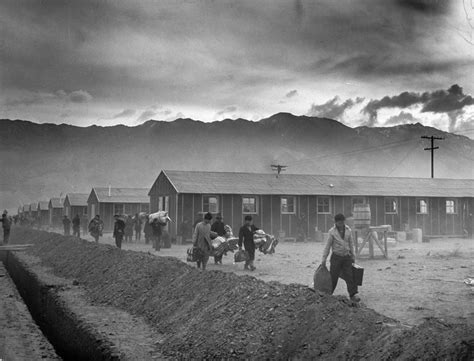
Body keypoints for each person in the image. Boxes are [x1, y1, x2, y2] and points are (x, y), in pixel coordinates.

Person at [321, 213, 360, 302]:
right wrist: (324, 259)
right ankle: (328, 294)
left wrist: (353, 256)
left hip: (347, 257)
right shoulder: (332, 232)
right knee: (333, 277)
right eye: (339, 223)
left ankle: (353, 295)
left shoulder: (348, 230)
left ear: (344, 222)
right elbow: (327, 246)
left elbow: (351, 244)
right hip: (336, 258)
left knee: (350, 276)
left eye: (342, 222)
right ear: (335, 223)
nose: (341, 224)